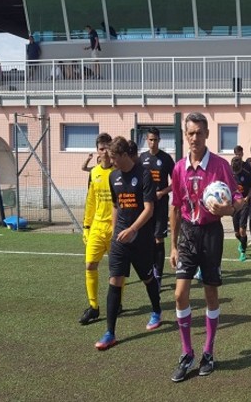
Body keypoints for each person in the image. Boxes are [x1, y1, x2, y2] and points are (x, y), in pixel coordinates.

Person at [169, 112, 243, 382]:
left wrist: (229, 208)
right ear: (185, 135)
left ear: (207, 134)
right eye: (190, 133)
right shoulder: (178, 168)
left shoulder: (220, 165)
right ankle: (187, 353)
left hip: (212, 233)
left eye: (199, 133)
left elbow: (238, 197)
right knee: (179, 295)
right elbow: (175, 206)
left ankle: (208, 351)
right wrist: (173, 246)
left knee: (211, 293)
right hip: (188, 233)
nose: (195, 138)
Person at [94, 137, 162, 350]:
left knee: (147, 277)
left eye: (114, 157)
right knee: (115, 280)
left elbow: (149, 209)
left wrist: (133, 230)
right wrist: (116, 231)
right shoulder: (113, 176)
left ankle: (157, 311)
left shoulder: (144, 175)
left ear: (124, 155)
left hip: (140, 238)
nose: (112, 161)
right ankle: (110, 332)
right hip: (120, 240)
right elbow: (116, 205)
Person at [79, 133, 116, 324]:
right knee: (90, 265)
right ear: (97, 151)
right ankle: (93, 307)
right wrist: (86, 226)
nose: (105, 153)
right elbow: (90, 201)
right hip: (97, 228)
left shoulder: (118, 172)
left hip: (116, 229)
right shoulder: (94, 174)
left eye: (108, 148)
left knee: (115, 270)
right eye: (102, 149)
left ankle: (116, 303)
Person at [139, 127, 174, 288]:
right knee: (147, 239)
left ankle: (158, 275)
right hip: (146, 206)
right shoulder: (142, 159)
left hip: (160, 206)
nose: (153, 143)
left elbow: (176, 183)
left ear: (159, 140)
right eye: (150, 139)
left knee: (158, 238)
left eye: (155, 140)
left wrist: (162, 192)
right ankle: (152, 270)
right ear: (146, 140)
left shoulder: (166, 159)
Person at [231, 156, 251, 261]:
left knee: (242, 230)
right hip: (234, 205)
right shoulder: (230, 174)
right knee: (236, 233)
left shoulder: (247, 174)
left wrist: (248, 197)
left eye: (237, 170)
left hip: (244, 203)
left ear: (240, 166)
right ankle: (242, 242)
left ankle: (243, 253)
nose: (235, 172)